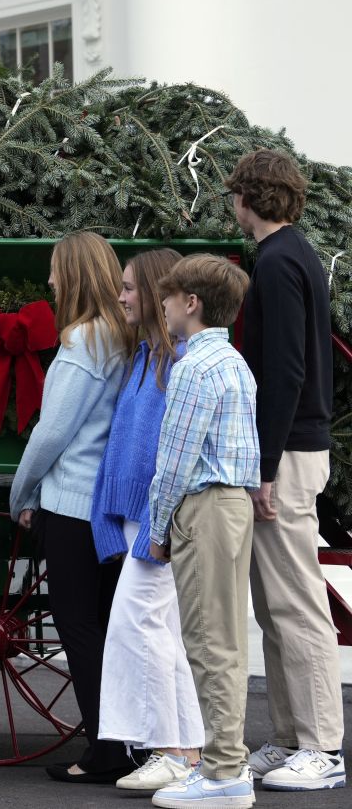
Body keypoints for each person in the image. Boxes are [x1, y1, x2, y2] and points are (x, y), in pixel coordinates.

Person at [226, 149, 346, 792]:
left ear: (247, 197)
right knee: (276, 604)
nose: (230, 207)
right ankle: (289, 738)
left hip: (288, 453)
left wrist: (263, 466)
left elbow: (285, 371)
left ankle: (322, 749)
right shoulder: (294, 254)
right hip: (295, 447)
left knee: (295, 604)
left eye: (233, 195)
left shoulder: (275, 262)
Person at [8, 230, 133, 784]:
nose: (51, 280)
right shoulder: (124, 335)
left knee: (79, 630)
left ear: (75, 274)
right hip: (105, 504)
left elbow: (51, 432)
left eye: (57, 270)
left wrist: (21, 493)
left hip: (73, 503)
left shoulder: (84, 338)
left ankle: (103, 752)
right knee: (106, 629)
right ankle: (122, 743)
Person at [147, 254, 260, 809]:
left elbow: (173, 460)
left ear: (191, 303)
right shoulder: (235, 362)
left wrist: (157, 527)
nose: (162, 306)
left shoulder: (193, 366)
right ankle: (225, 766)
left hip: (204, 508)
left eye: (168, 298)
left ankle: (223, 775)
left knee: (209, 643)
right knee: (227, 643)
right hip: (232, 505)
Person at [90, 249, 204, 790]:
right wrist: (108, 520)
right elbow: (122, 454)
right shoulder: (145, 359)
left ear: (160, 294)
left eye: (131, 287)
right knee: (159, 632)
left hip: (161, 527)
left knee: (140, 626)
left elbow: (170, 457)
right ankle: (186, 751)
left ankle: (170, 750)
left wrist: (155, 531)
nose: (122, 296)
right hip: (143, 521)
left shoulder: (178, 364)